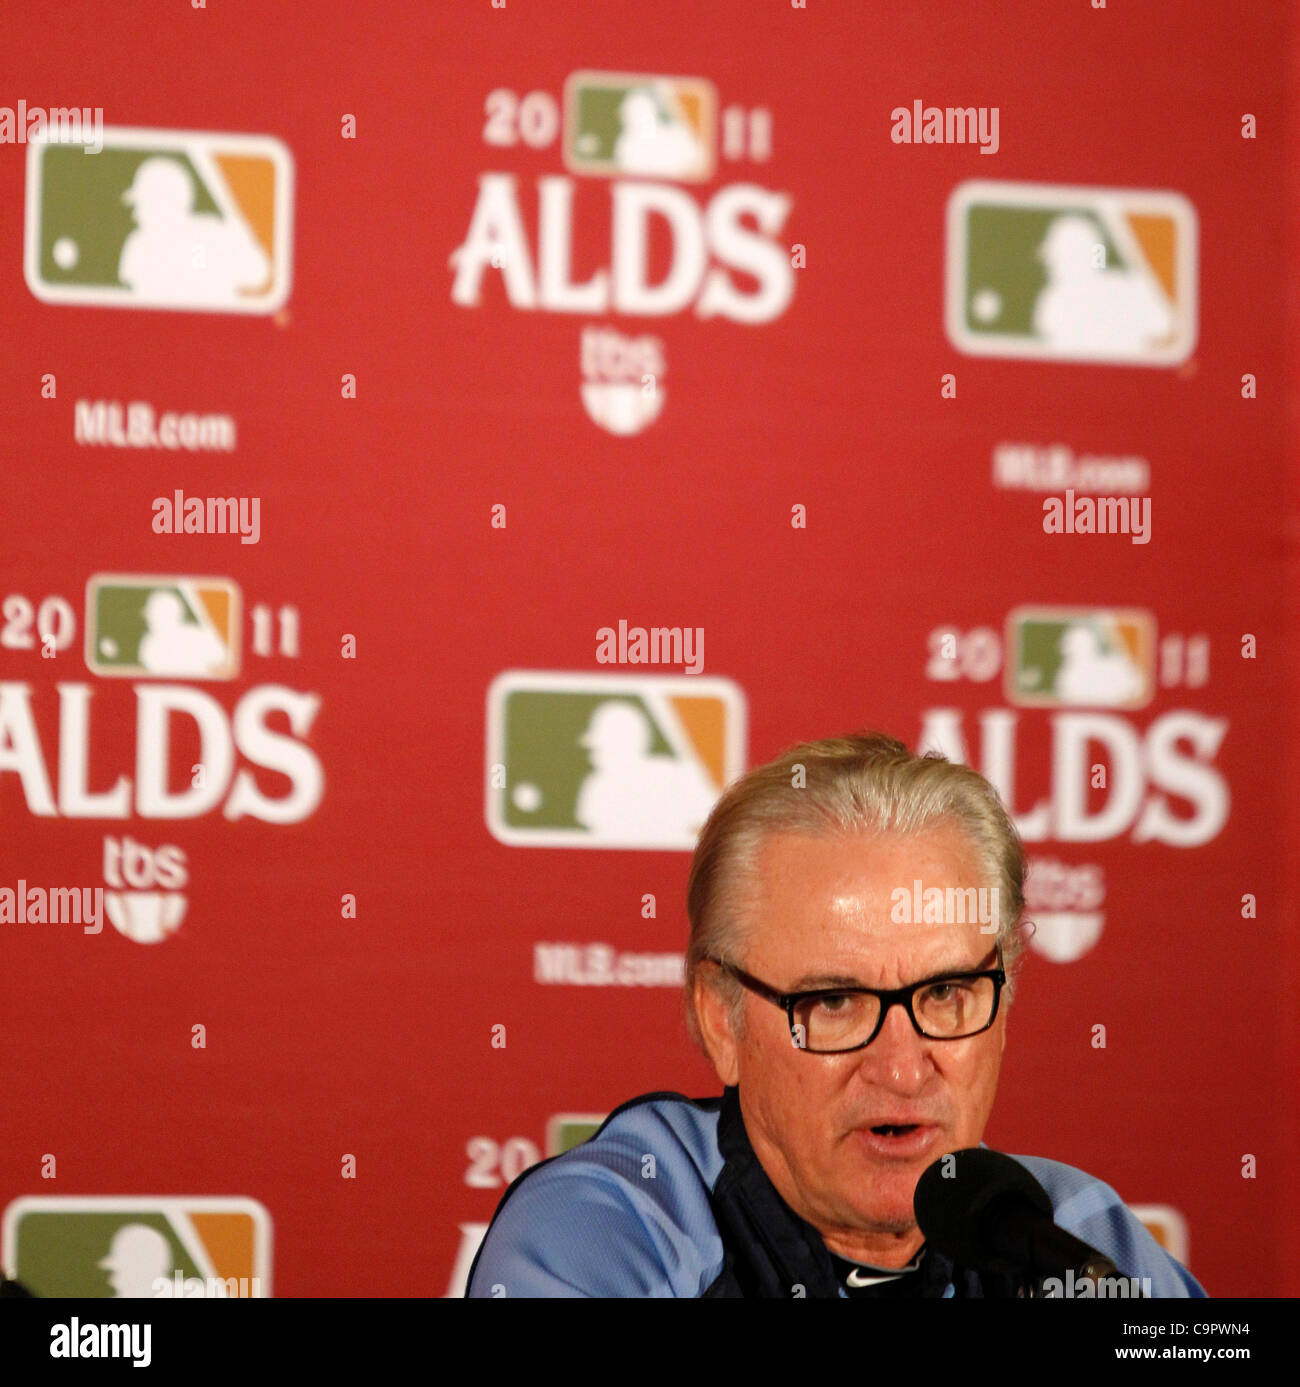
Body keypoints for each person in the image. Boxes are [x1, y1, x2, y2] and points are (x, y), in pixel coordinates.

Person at [466, 732, 1205, 1298]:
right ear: (722, 1020)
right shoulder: (610, 1226)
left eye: (945, 993)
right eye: (835, 1002)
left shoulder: (1076, 1238)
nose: (903, 1065)